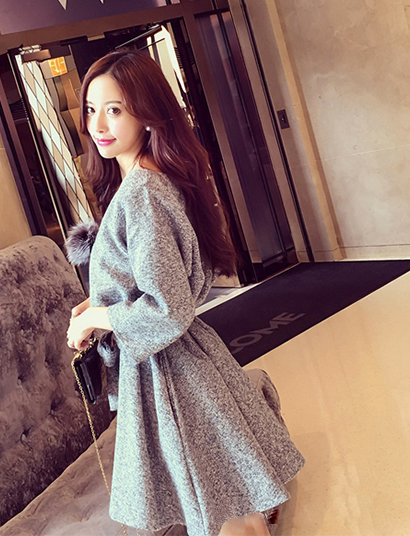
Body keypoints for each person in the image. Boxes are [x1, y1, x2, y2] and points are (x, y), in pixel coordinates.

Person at [66, 49, 305, 536]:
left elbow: (167, 308)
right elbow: (159, 280)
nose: (99, 125)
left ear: (147, 113)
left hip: (168, 370)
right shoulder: (149, 179)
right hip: (175, 364)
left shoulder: (143, 193)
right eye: (91, 109)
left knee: (221, 510)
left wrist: (95, 319)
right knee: (226, 499)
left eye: (115, 109)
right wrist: (97, 304)